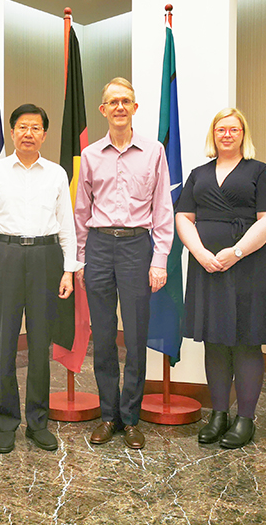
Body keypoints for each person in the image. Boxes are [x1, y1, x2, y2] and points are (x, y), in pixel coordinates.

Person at [175, 107, 266, 449]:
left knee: (246, 341)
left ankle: (245, 419)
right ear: (213, 134)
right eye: (221, 129)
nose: (227, 134)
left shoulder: (259, 171)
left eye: (233, 129)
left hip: (250, 266)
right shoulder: (198, 174)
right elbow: (183, 217)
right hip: (207, 267)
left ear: (243, 134)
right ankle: (219, 415)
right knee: (215, 341)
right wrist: (200, 253)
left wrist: (236, 252)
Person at [0, 103, 78, 454]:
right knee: (4, 341)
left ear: (44, 134)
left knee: (39, 342)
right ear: (12, 131)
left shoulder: (56, 174)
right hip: (4, 255)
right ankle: (5, 422)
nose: (28, 133)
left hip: (46, 257)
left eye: (35, 128)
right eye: (22, 127)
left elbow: (67, 225)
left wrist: (68, 270)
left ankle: (37, 422)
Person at [74, 77, 173, 451]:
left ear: (135, 107)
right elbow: (81, 211)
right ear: (103, 110)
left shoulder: (154, 151)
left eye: (125, 101)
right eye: (112, 101)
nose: (119, 107)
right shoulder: (90, 155)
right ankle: (108, 415)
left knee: (134, 337)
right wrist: (80, 260)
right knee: (102, 337)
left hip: (136, 247)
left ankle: (130, 418)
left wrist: (159, 259)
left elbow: (163, 208)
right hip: (99, 247)